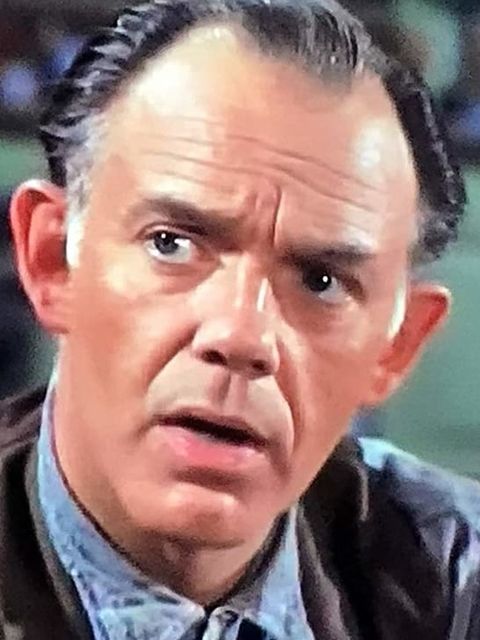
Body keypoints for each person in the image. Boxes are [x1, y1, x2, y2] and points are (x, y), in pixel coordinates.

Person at [1, 0, 478, 638]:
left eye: (321, 281)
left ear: (396, 345)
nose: (240, 335)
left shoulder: (454, 579)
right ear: (52, 260)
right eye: (171, 244)